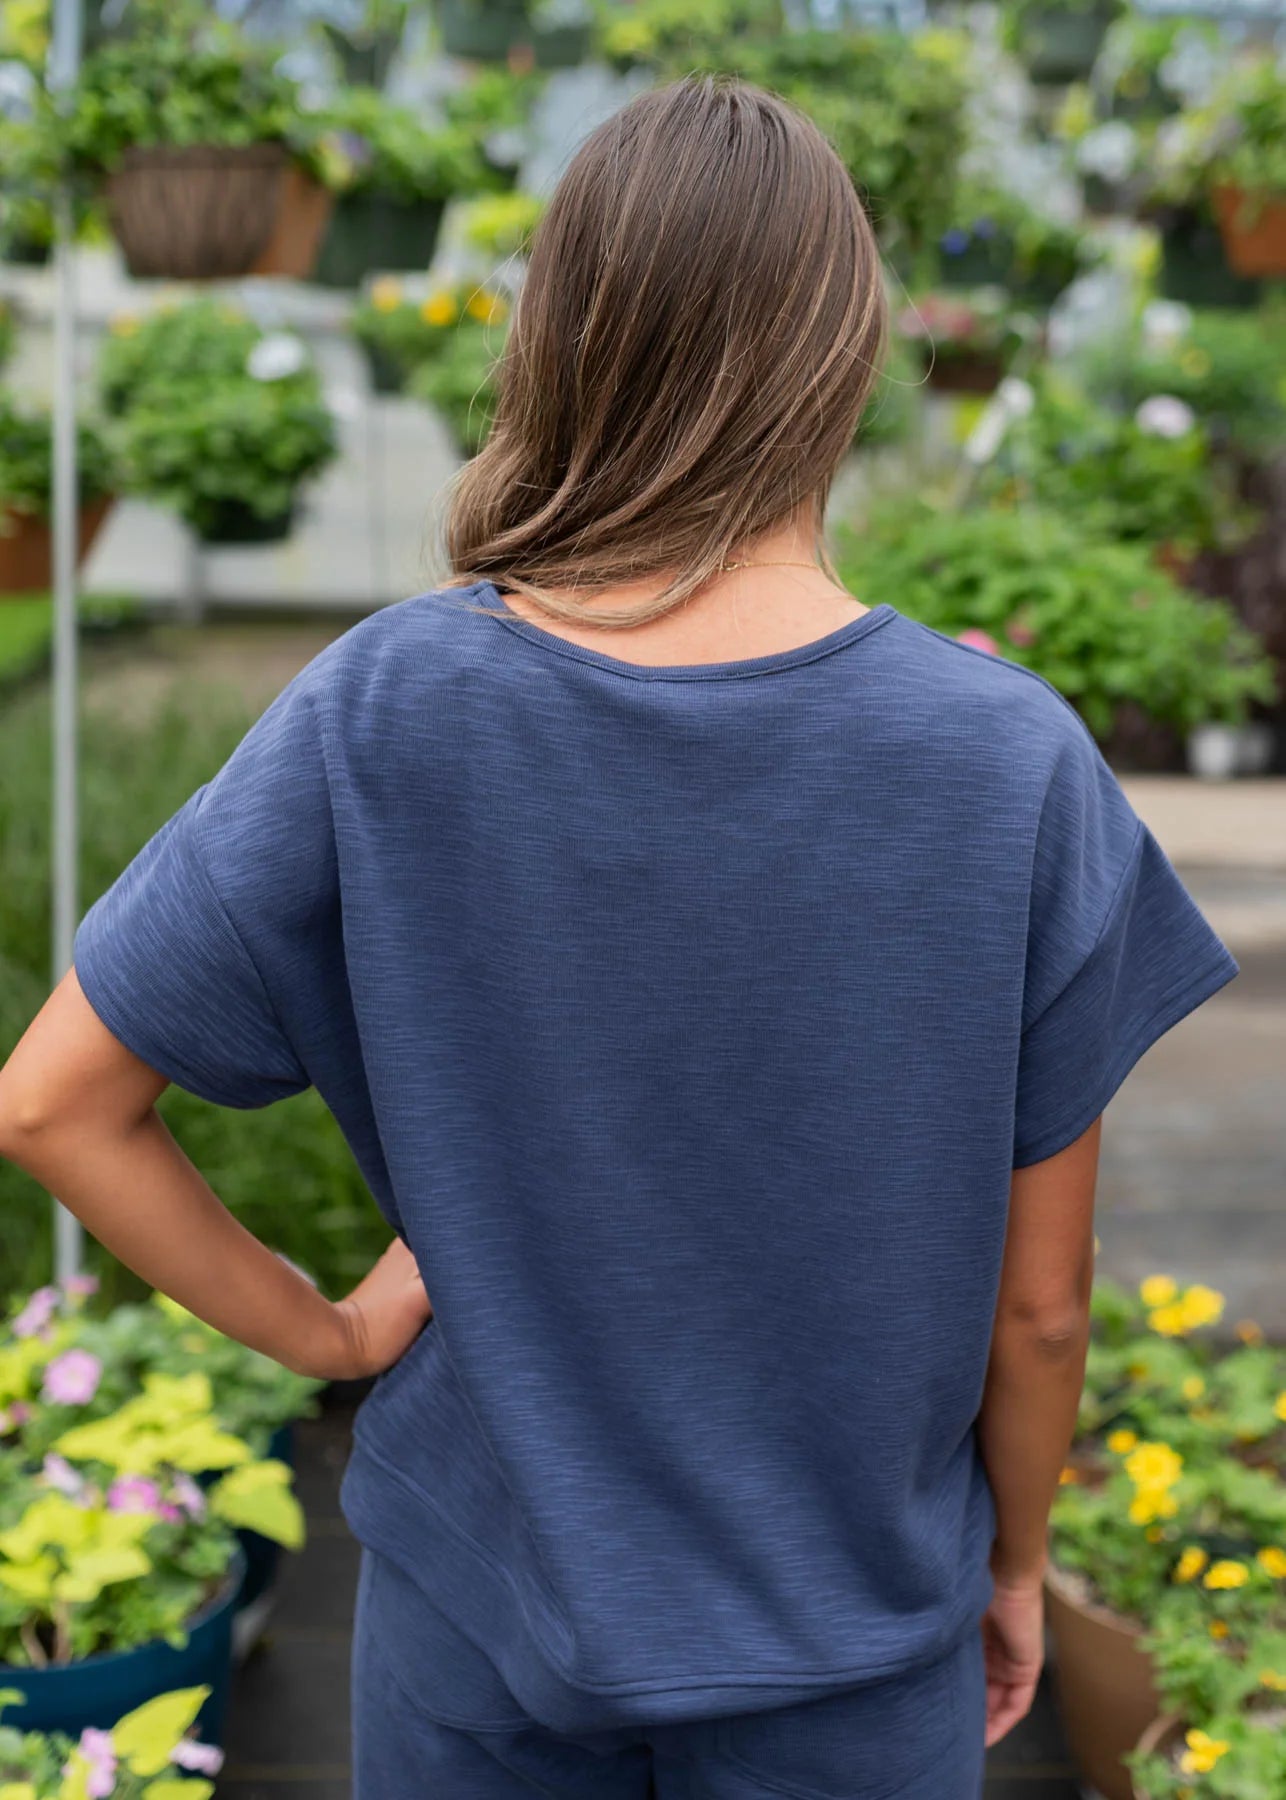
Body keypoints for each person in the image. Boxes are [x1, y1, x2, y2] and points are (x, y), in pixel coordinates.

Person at [0, 76, 1238, 1800]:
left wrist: (325, 1336)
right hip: (852, 1643)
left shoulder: (385, 704)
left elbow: (51, 1102)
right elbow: (1037, 1311)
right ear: (845, 358)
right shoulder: (1005, 760)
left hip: (477, 1614)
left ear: (558, 342)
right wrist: (1012, 1565)